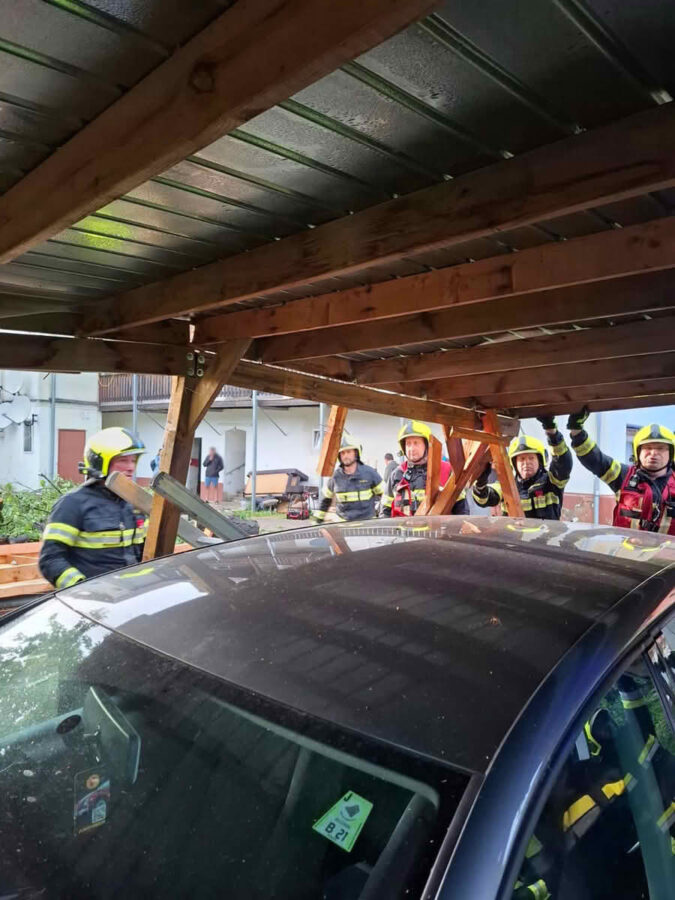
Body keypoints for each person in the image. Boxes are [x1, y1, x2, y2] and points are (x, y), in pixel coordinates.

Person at [39, 427, 146, 589]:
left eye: (133, 460)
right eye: (123, 460)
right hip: (96, 605)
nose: (131, 467)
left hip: (134, 597)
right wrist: (81, 589)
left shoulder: (135, 504)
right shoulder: (72, 504)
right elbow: (51, 560)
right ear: (100, 462)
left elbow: (148, 553)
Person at [567, 409, 675, 533]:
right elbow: (595, 460)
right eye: (647, 448)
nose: (653, 453)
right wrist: (576, 431)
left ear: (671, 453)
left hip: (667, 552)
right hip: (625, 551)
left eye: (661, 448)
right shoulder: (624, 476)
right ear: (637, 453)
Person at [473, 415, 572, 520]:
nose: (526, 463)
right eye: (522, 459)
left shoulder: (552, 482)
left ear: (540, 461)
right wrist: (480, 483)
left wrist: (552, 434)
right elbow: (483, 499)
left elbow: (562, 462)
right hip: (514, 536)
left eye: (531, 458)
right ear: (514, 464)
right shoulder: (507, 486)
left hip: (546, 536)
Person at [381, 420, 468, 517]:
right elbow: (385, 511)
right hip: (405, 531)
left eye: (416, 443)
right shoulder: (397, 474)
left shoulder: (446, 470)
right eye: (408, 444)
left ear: (427, 445)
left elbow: (462, 510)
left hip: (439, 531)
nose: (411, 449)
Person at [312, 433, 384, 523]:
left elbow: (386, 496)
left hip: (367, 526)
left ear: (356, 453)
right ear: (339, 456)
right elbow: (324, 502)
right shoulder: (335, 477)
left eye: (349, 452)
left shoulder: (370, 473)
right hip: (344, 526)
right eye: (342, 453)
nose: (345, 456)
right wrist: (316, 522)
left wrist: (382, 517)